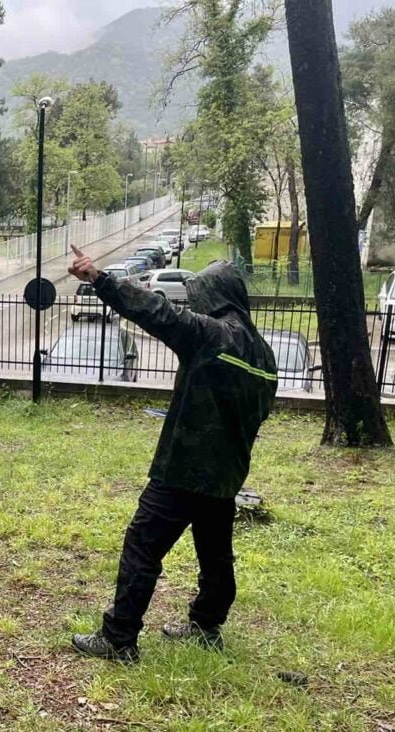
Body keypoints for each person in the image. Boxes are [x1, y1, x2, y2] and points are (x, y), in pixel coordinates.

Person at [67, 246, 278, 663]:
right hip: (226, 475)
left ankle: (119, 638)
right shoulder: (264, 355)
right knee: (216, 555)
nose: (194, 304)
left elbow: (156, 311)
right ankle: (206, 626)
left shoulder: (211, 335)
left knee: (142, 546)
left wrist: (99, 278)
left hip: (183, 470)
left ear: (213, 297)